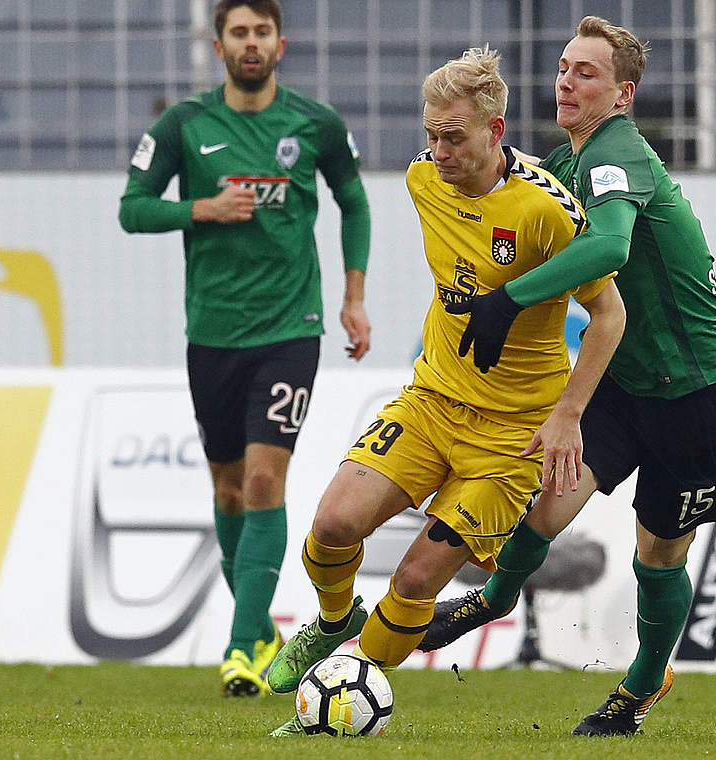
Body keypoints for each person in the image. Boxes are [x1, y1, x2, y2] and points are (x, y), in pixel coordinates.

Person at [263, 46, 626, 737]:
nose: (438, 150)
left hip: (512, 437)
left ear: (494, 132)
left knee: (414, 583)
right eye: (431, 134)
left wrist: (569, 415)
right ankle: (334, 618)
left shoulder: (547, 210)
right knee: (333, 526)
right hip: (433, 403)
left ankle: (336, 699)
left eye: (453, 137)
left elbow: (610, 314)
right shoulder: (422, 180)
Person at [419, 17, 716, 737]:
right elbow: (515, 196)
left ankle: (636, 690)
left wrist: (508, 298)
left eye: (587, 72)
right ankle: (495, 599)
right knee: (543, 506)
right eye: (564, 67)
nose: (567, 80)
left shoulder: (616, 150)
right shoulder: (565, 167)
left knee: (656, 559)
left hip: (695, 396)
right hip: (624, 390)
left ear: (623, 94)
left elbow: (607, 244)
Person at [117, 0, 372, 697]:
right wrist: (199, 208)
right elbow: (132, 208)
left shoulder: (314, 124)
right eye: (239, 33)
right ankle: (260, 632)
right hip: (213, 334)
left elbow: (354, 202)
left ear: (280, 44)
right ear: (220, 43)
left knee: (264, 481)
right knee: (228, 489)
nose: (251, 43)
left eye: (262, 32)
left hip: (291, 328)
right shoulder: (185, 125)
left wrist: (353, 297)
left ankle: (238, 650)